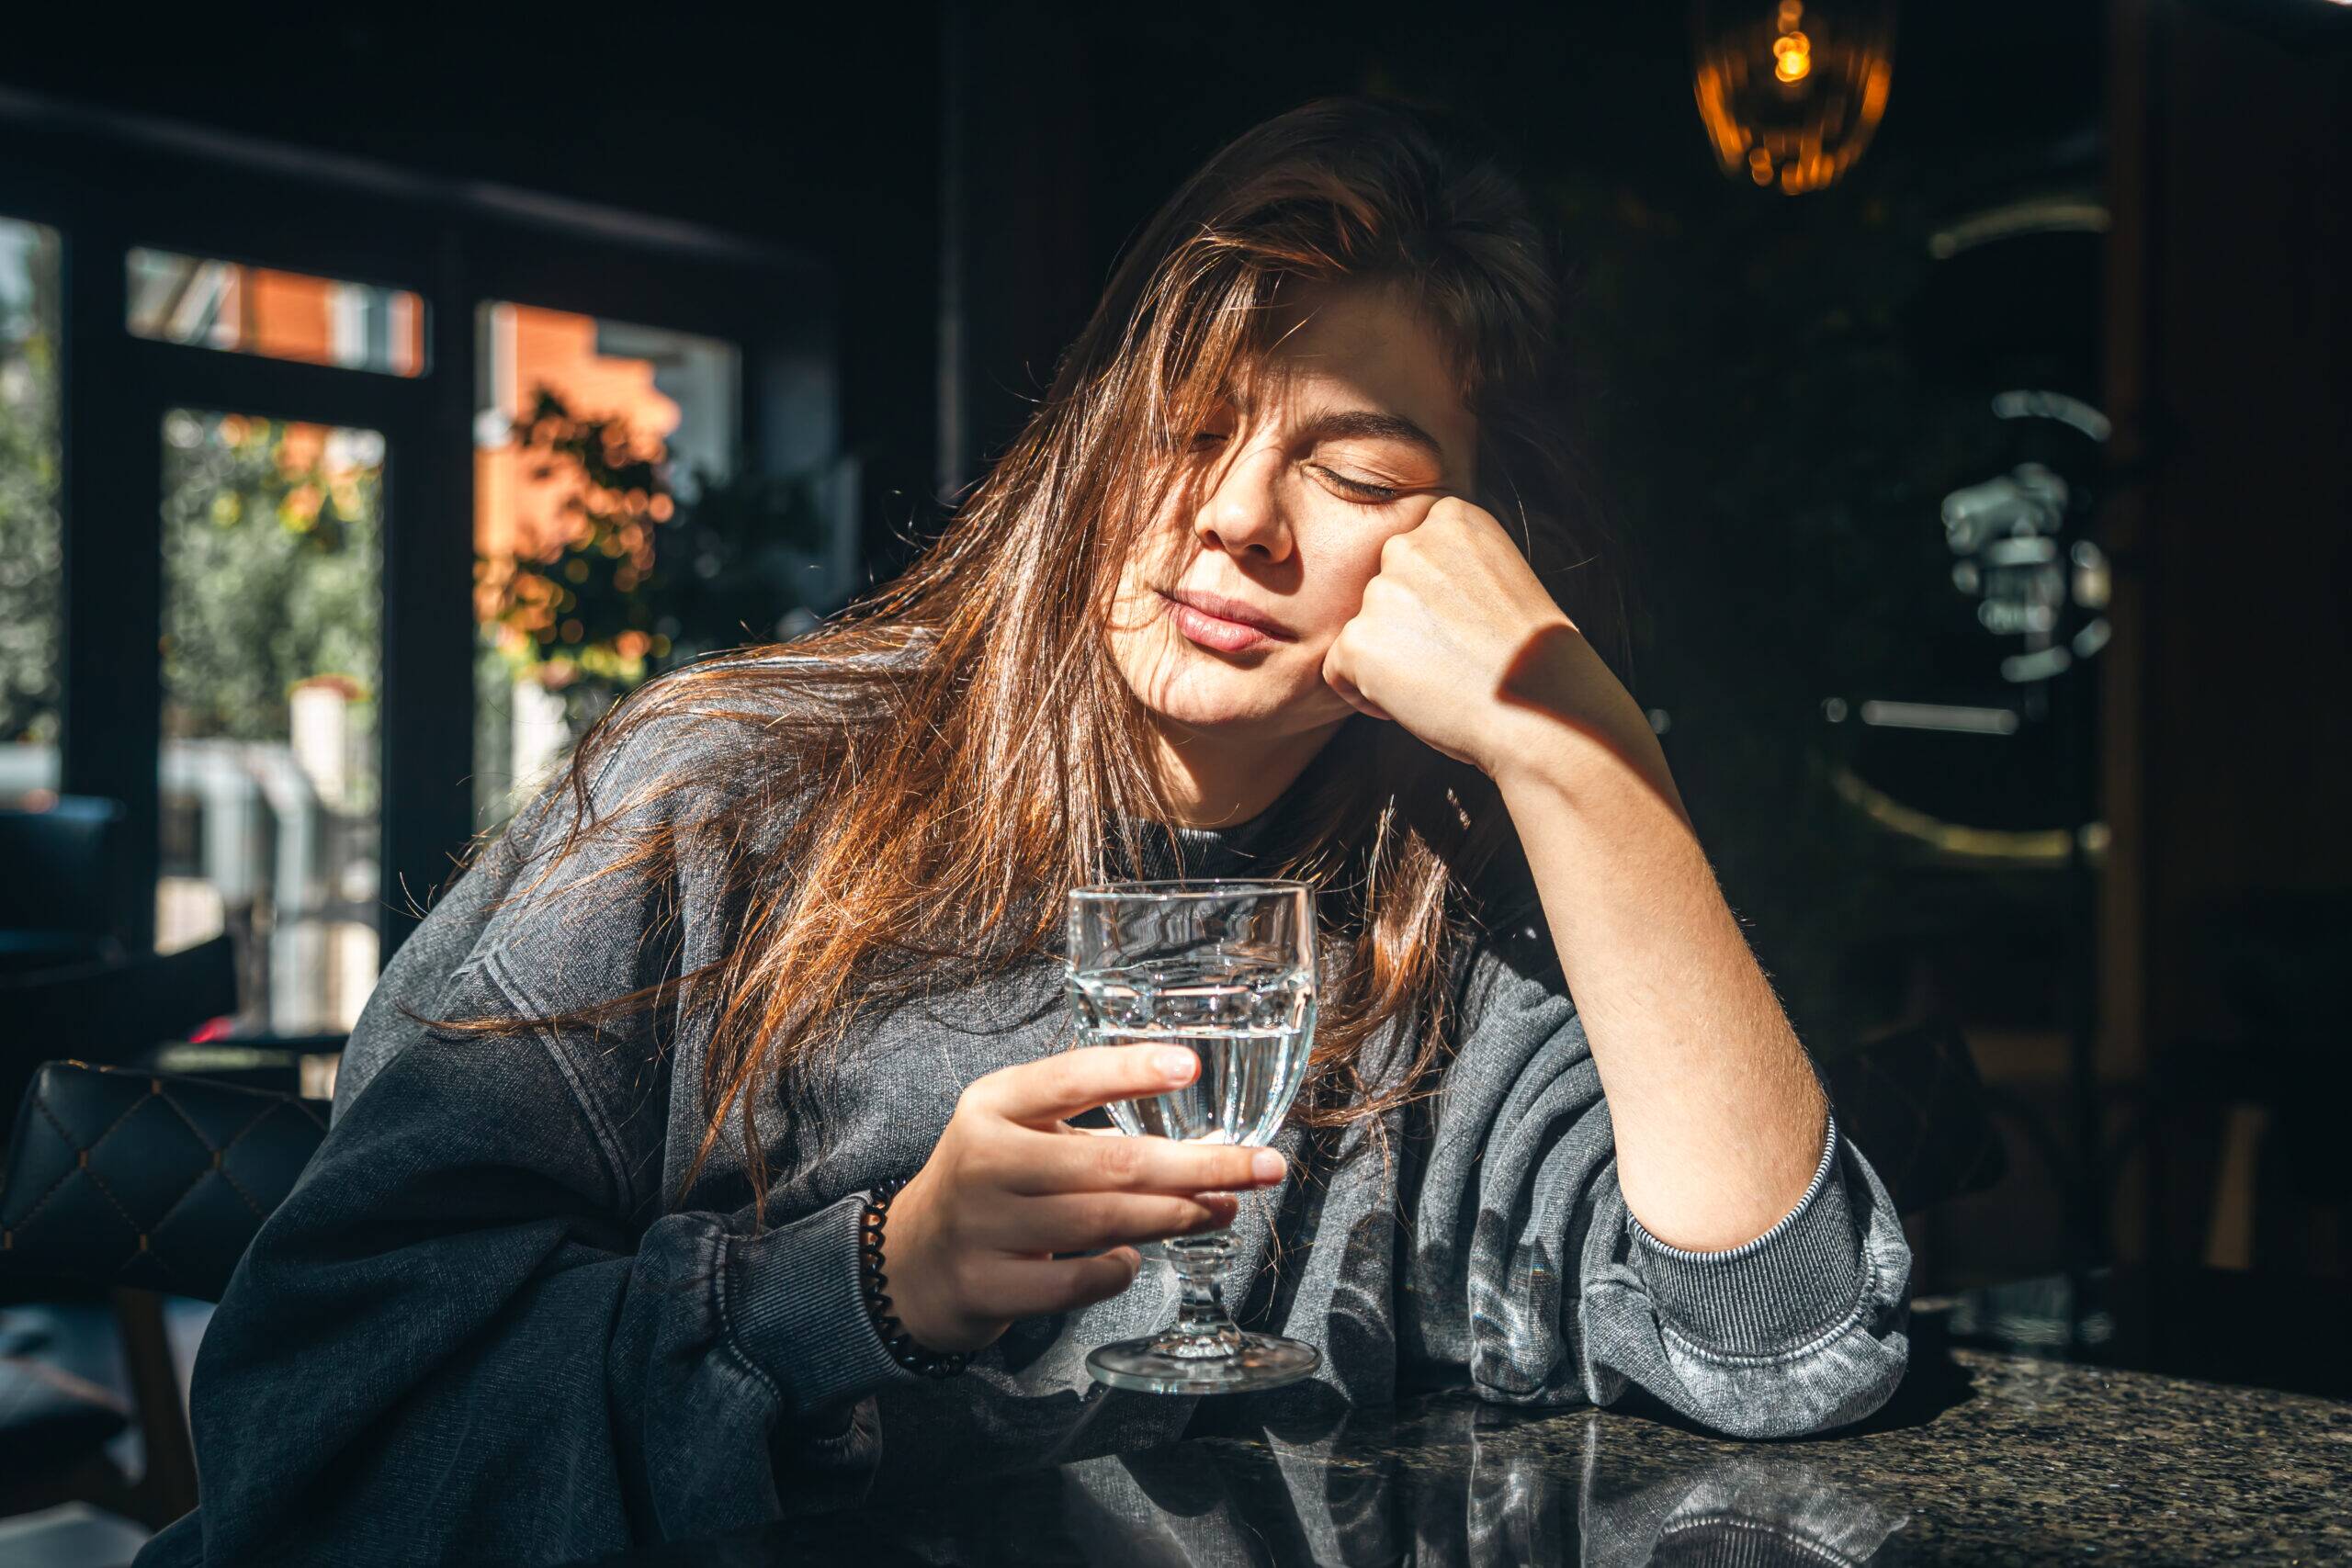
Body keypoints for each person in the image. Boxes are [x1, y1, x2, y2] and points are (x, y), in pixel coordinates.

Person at [134, 96, 1912, 1567]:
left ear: (1472, 538)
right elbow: (322, 1426)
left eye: (1356, 476)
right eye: (1187, 427)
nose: (1235, 519)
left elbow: (1789, 1348)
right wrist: (868, 1287)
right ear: (1085, 438)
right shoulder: (722, 802)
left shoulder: (1450, 927)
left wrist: (1581, 745)